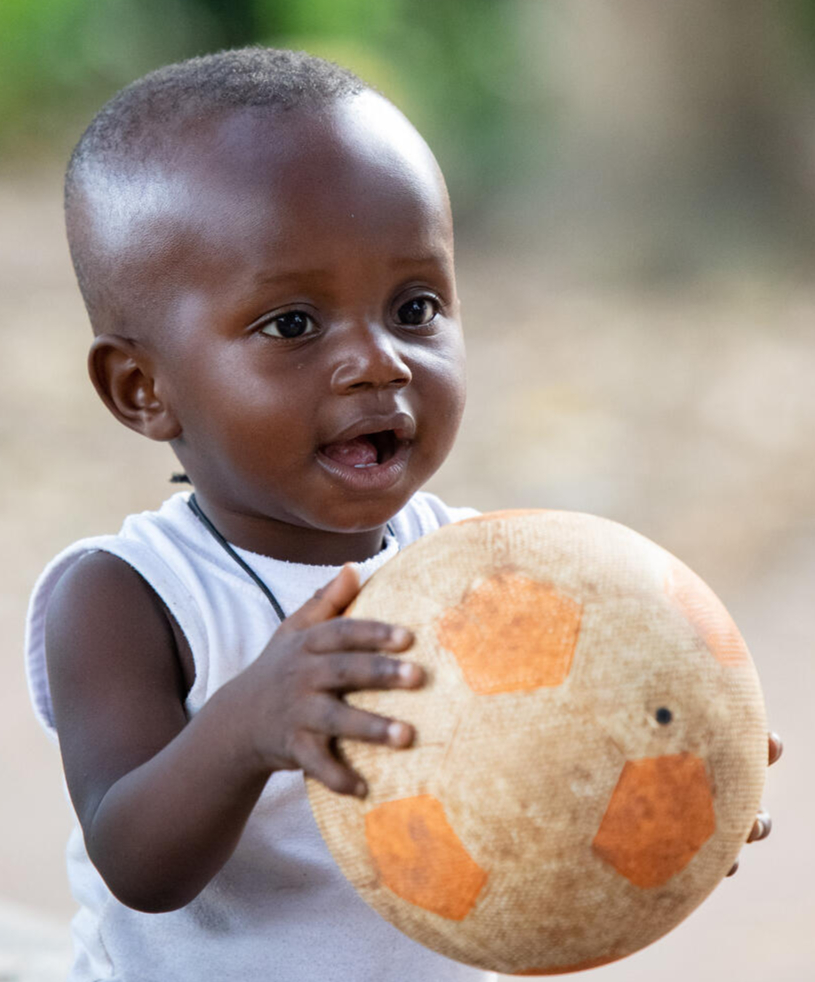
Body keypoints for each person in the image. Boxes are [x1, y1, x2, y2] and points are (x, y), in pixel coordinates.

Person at [24, 47, 780, 982]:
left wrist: (667, 784)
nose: (379, 361)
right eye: (292, 324)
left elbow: (536, 817)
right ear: (143, 388)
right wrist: (249, 723)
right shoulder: (131, 596)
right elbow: (136, 863)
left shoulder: (487, 573)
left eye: (414, 306)